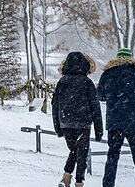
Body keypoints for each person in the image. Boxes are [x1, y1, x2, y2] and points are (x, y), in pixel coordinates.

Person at [98, 46, 135, 187]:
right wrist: (133, 95)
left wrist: (113, 96)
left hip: (115, 122)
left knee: (112, 157)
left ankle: (108, 184)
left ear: (116, 58)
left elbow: (100, 96)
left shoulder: (107, 74)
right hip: (134, 122)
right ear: (130, 59)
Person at [51, 51, 102, 187]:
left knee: (74, 150)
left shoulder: (62, 82)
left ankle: (66, 178)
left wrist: (58, 127)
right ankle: (79, 182)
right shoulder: (87, 82)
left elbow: (55, 105)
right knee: (82, 153)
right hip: (83, 123)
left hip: (66, 123)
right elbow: (95, 107)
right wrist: (99, 130)